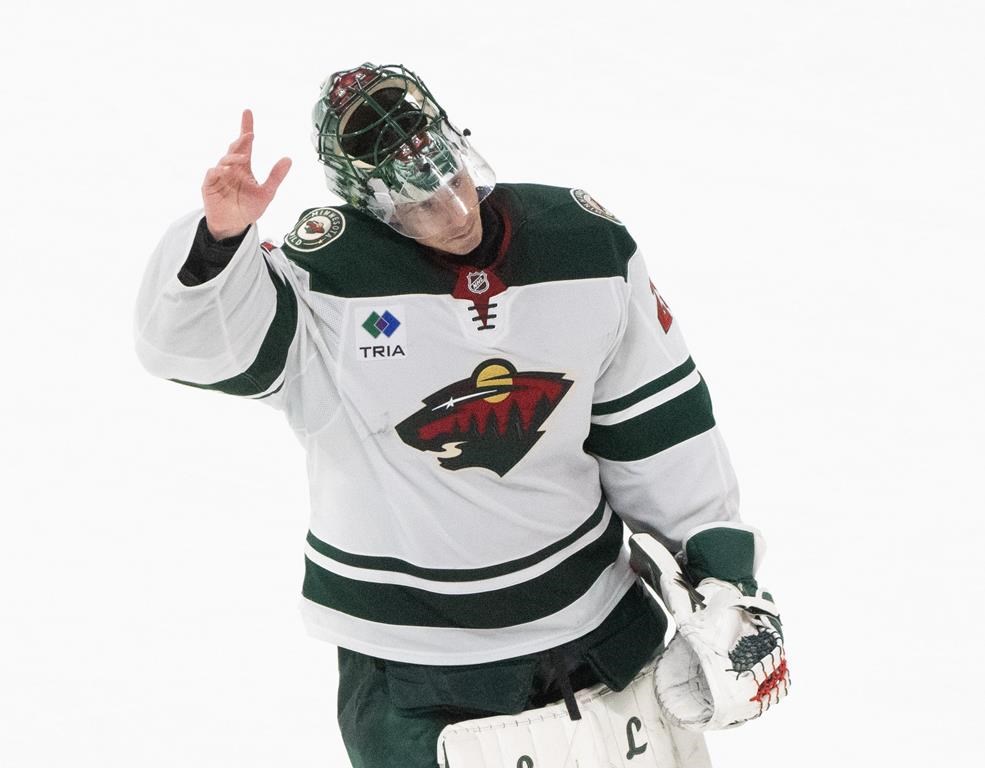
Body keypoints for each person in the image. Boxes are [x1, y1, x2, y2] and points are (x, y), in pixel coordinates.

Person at [134, 62, 787, 768]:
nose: (450, 211)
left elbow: (659, 429)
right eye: (415, 200)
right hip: (418, 677)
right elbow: (191, 347)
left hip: (602, 633)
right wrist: (219, 241)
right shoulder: (324, 281)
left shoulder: (583, 245)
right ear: (367, 204)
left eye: (449, 176)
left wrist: (724, 582)